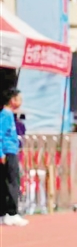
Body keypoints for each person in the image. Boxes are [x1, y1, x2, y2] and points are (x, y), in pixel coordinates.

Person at [0, 89, 27, 226]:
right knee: (13, 182)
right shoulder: (6, 115)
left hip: (10, 151)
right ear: (12, 100)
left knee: (6, 182)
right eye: (19, 99)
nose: (21, 102)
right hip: (8, 151)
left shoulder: (9, 114)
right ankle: (12, 212)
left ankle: (4, 213)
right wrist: (1, 153)